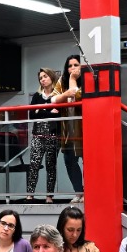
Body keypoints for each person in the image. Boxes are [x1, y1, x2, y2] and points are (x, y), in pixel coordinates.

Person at [25, 67, 61, 202]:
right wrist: (48, 111)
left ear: (51, 77)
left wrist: (41, 110)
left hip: (52, 135)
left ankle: (49, 196)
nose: (43, 80)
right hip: (37, 135)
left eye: (45, 76)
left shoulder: (56, 96)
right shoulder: (36, 96)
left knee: (51, 166)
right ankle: (30, 194)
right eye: (40, 78)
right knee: (34, 165)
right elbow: (32, 114)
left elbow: (58, 114)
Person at [51, 54, 85, 198]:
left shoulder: (87, 79)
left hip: (84, 129)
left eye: (76, 65)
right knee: (69, 162)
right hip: (67, 131)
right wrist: (65, 93)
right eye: (69, 66)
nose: (72, 68)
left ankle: (90, 193)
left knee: (88, 163)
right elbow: (53, 99)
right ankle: (79, 192)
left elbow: (76, 96)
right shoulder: (62, 80)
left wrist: (73, 80)